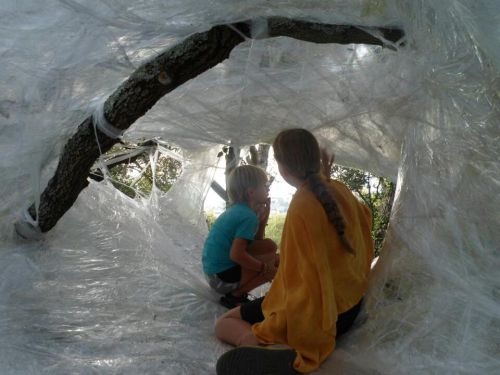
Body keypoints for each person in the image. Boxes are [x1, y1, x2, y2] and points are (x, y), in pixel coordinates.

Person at [214, 129, 374, 374]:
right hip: (350, 306)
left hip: (320, 320)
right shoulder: (338, 189)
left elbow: (298, 280)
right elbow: (363, 223)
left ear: (283, 168)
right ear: (315, 159)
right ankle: (273, 346)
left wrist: (280, 317)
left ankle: (262, 346)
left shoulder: (302, 204)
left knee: (225, 323)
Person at [202, 165, 279, 309]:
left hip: (214, 276)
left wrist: (262, 221)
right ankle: (235, 296)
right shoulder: (248, 217)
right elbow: (236, 254)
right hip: (222, 280)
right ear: (251, 192)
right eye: (264, 185)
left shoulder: (239, 211)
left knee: (270, 247)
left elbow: (254, 245)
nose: (268, 189)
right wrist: (264, 268)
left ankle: (237, 292)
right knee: (273, 262)